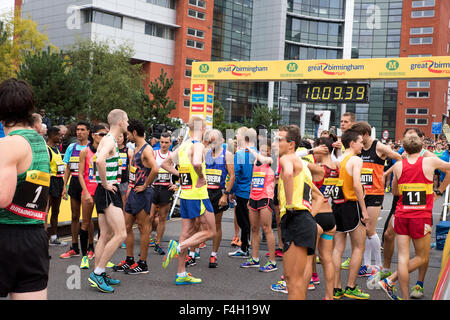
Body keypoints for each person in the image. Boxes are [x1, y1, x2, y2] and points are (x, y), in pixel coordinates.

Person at [379, 134, 450, 300]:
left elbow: (395, 192)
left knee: (403, 259)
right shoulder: (429, 161)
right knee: (422, 257)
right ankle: (390, 279)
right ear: (421, 148)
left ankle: (403, 295)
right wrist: (432, 156)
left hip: (402, 215)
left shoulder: (398, 166)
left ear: (405, 149)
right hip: (421, 216)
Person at [0, 78, 51, 300]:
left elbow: (2, 197)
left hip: (6, 235)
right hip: (34, 236)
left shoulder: (9, 144)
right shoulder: (40, 143)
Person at [160, 115, 216, 285]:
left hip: (185, 194)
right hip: (198, 195)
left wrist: (182, 175)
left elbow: (164, 164)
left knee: (187, 232)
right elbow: (198, 164)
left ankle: (181, 273)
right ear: (203, 129)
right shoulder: (197, 145)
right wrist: (200, 177)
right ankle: (177, 247)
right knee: (211, 231)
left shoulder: (183, 146)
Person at [276, 125, 323, 300]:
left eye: (279, 139)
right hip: (303, 220)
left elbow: (287, 175)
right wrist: (308, 217)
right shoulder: (302, 165)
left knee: (293, 282)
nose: (276, 143)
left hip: (296, 219)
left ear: (291, 144)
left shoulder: (287, 159)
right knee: (296, 280)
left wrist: (289, 206)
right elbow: (319, 197)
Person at [350, 121, 402, 277]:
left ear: (366, 134)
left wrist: (386, 173)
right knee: (360, 232)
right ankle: (366, 265)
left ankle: (379, 266)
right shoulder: (358, 147)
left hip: (375, 193)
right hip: (359, 194)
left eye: (359, 136)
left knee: (369, 230)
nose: (357, 138)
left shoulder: (379, 147)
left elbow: (399, 159)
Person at [88, 109, 129, 293]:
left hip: (102, 191)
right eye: (126, 120)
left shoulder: (106, 139)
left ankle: (100, 272)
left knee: (104, 235)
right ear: (120, 122)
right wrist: (105, 184)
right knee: (121, 234)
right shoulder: (111, 140)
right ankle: (98, 272)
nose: (128, 123)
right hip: (107, 192)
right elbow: (99, 161)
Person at [114, 119, 158, 275]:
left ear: (134, 132)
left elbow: (156, 169)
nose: (127, 137)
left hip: (143, 193)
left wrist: (145, 185)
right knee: (126, 227)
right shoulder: (136, 148)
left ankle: (143, 263)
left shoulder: (147, 149)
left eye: (128, 134)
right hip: (133, 191)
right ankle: (130, 259)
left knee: (143, 228)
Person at [331, 128, 370, 300]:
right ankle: (351, 286)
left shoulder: (340, 159)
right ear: (352, 143)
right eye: (361, 142)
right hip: (351, 205)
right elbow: (356, 185)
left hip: (337, 204)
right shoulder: (355, 159)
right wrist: (364, 209)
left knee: (338, 248)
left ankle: (336, 287)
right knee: (358, 247)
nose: (363, 144)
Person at [240, 139, 277, 272]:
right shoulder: (256, 161)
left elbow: (263, 158)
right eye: (261, 149)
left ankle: (272, 261)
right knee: (254, 228)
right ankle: (255, 258)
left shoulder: (272, 161)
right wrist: (250, 197)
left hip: (265, 198)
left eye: (266, 150)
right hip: (254, 197)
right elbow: (253, 180)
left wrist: (251, 149)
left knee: (266, 228)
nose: (263, 152)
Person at [77, 124, 108, 269]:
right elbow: (80, 174)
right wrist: (86, 193)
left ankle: (102, 258)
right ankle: (84, 256)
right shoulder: (85, 151)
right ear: (94, 135)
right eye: (102, 134)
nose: (104, 137)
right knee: (85, 223)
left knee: (104, 226)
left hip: (102, 191)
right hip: (88, 192)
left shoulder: (107, 151)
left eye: (106, 134)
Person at [311, 136, 338, 300]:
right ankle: (329, 296)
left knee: (308, 257)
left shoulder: (318, 168)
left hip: (316, 215)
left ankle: (305, 285)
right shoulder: (337, 166)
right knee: (327, 259)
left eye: (317, 149)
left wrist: (310, 151)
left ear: (322, 149)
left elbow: (291, 160)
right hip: (330, 216)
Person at [60, 121, 91, 259]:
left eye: (82, 130)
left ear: (88, 132)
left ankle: (90, 247)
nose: (79, 132)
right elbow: (67, 168)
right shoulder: (71, 147)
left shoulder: (91, 147)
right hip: (74, 183)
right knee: (74, 216)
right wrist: (64, 187)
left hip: (87, 184)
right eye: (78, 129)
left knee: (87, 218)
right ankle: (74, 247)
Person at [204, 129, 235, 268]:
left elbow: (232, 176)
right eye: (210, 141)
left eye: (215, 141)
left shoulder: (227, 155)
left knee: (217, 224)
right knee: (200, 222)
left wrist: (225, 194)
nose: (212, 143)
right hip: (204, 191)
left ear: (221, 141)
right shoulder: (205, 153)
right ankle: (193, 253)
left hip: (218, 193)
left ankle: (213, 255)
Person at [228, 128, 258, 258]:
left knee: (243, 221)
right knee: (252, 223)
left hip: (242, 191)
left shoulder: (240, 154)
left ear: (244, 138)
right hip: (256, 192)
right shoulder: (258, 154)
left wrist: (231, 191)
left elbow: (236, 175)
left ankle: (245, 248)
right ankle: (249, 248)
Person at [150, 132, 178, 256]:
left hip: (166, 188)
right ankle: (148, 238)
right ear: (159, 142)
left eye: (166, 142)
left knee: (162, 218)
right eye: (162, 142)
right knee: (149, 217)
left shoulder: (173, 156)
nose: (164, 145)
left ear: (170, 144)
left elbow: (182, 171)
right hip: (154, 188)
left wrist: (177, 185)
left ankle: (158, 242)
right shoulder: (154, 153)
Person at [46, 126, 68, 246]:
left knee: (56, 211)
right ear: (52, 136)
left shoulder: (57, 149)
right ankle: (43, 237)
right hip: (50, 181)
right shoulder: (47, 149)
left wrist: (64, 186)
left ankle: (54, 237)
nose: (61, 137)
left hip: (59, 181)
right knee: (46, 211)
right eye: (59, 135)